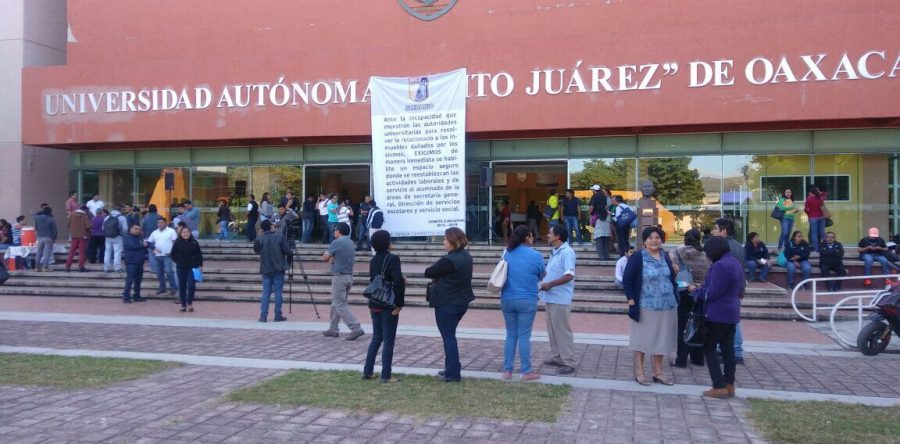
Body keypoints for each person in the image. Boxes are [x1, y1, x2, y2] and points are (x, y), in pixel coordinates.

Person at [622, 226, 678, 386]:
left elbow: (671, 278)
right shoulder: (637, 257)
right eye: (650, 238)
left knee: (661, 340)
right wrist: (632, 303)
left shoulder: (666, 256)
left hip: (667, 306)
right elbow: (627, 280)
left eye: (657, 237)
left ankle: (658, 373)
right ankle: (639, 372)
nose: (654, 240)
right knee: (642, 340)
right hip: (645, 306)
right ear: (644, 241)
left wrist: (675, 272)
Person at [424, 227, 476, 382]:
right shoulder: (466, 256)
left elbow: (429, 272)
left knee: (448, 336)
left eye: (445, 239)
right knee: (450, 334)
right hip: (461, 301)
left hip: (447, 302)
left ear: (452, 241)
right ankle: (452, 367)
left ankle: (452, 373)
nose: (443, 242)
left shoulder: (449, 260)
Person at [694, 236, 743, 399]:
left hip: (717, 313)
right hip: (731, 311)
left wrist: (697, 292)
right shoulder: (734, 262)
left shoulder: (720, 266)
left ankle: (718, 385)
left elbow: (713, 292)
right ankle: (729, 384)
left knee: (709, 347)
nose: (707, 256)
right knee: (728, 349)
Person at [498, 225, 545, 381]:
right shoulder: (536, 255)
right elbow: (541, 274)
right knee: (524, 335)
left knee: (511, 334)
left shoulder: (507, 253)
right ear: (527, 237)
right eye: (531, 236)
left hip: (507, 298)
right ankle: (526, 371)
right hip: (527, 298)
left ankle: (507, 371)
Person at [362, 230, 406, 383]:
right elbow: (398, 281)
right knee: (388, 339)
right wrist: (399, 303)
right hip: (388, 303)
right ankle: (386, 375)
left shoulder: (374, 259)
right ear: (387, 243)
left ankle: (367, 371)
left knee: (376, 337)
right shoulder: (393, 258)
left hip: (374, 301)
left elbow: (374, 278)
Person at [667, 228, 708, 368]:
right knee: (698, 324)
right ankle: (698, 357)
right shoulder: (705, 255)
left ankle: (681, 359)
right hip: (699, 293)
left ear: (685, 238)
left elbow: (671, 267)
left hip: (683, 292)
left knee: (682, 327)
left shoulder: (677, 252)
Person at [541, 224, 578, 375]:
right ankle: (557, 356)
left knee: (562, 330)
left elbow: (569, 275)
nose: (547, 235)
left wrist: (550, 284)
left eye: (550, 233)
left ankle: (569, 361)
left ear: (558, 236)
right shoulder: (555, 251)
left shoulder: (567, 252)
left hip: (560, 298)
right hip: (550, 297)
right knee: (553, 330)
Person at [322, 222, 365, 340]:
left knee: (340, 304)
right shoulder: (350, 242)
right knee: (336, 303)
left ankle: (355, 327)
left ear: (338, 231)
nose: (334, 232)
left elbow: (325, 257)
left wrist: (330, 257)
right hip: (348, 276)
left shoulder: (337, 242)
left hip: (339, 277)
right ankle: (333, 328)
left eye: (335, 230)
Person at [253, 220, 291, 322]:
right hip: (278, 267)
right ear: (270, 226)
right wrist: (288, 262)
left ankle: (263, 315)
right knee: (278, 292)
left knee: (266, 292)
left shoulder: (260, 237)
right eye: (273, 225)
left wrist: (258, 236)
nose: (274, 226)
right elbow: (288, 251)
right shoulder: (279, 236)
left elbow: (256, 250)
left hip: (266, 268)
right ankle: (278, 314)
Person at [170, 226, 202, 312]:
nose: (186, 233)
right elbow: (172, 254)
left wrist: (200, 265)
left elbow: (199, 255)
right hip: (181, 268)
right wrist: (178, 261)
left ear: (190, 233)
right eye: (183, 232)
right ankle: (183, 305)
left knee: (192, 285)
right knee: (182, 286)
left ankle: (190, 303)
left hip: (192, 267)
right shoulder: (177, 242)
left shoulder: (194, 242)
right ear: (181, 233)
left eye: (187, 232)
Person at [146, 217, 178, 296]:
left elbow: (175, 242)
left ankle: (173, 287)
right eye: (158, 223)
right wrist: (154, 248)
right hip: (157, 256)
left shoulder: (171, 231)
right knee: (159, 272)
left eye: (162, 222)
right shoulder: (154, 232)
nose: (160, 224)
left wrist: (172, 252)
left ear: (166, 223)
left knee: (168, 271)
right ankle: (162, 288)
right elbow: (149, 242)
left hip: (167, 255)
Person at [122, 224, 147, 303]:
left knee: (138, 280)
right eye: (135, 229)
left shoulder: (140, 237)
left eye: (139, 229)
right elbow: (132, 246)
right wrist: (142, 245)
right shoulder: (127, 237)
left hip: (140, 261)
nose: (137, 230)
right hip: (131, 262)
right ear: (131, 229)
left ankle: (137, 296)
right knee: (130, 279)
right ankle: (126, 296)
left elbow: (146, 244)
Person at [103, 207, 128, 273]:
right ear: (120, 211)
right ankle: (117, 268)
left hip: (108, 237)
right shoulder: (122, 217)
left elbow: (103, 228)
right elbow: (125, 229)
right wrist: (122, 235)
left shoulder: (107, 217)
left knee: (107, 252)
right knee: (117, 252)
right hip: (118, 237)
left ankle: (106, 268)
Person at [804, 184, 828, 252]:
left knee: (814, 234)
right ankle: (825, 247)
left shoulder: (809, 199)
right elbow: (825, 193)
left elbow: (806, 209)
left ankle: (816, 249)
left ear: (810, 192)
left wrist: (809, 215)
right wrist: (819, 192)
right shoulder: (820, 198)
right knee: (822, 233)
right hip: (821, 217)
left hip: (813, 217)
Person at [34, 207, 58, 272]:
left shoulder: (37, 218)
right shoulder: (51, 219)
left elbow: (36, 227)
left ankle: (37, 267)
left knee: (39, 252)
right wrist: (54, 238)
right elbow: (54, 230)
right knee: (47, 253)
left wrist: (40, 211)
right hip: (48, 237)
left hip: (39, 237)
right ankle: (45, 267)